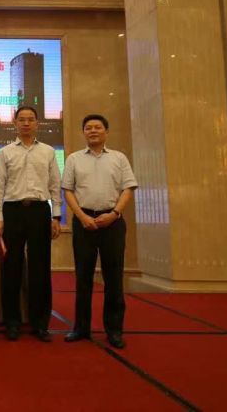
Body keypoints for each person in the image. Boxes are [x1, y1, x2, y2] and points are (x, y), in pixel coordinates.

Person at [62, 114, 137, 349]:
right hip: (84, 222)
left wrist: (114, 213)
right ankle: (81, 328)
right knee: (83, 277)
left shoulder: (119, 158)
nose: (93, 131)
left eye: (97, 127)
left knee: (113, 278)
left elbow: (128, 188)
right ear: (83, 132)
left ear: (106, 131)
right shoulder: (74, 159)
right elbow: (68, 190)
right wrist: (82, 216)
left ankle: (114, 330)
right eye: (88, 128)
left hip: (112, 222)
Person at [0, 106, 62, 342]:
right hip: (12, 211)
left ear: (36, 123)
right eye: (21, 119)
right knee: (11, 268)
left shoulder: (48, 151)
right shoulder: (5, 152)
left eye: (30, 119)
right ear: (15, 123)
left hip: (40, 211)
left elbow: (55, 185)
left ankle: (40, 323)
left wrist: (56, 216)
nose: (26, 123)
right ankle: (12, 322)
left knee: (40, 268)